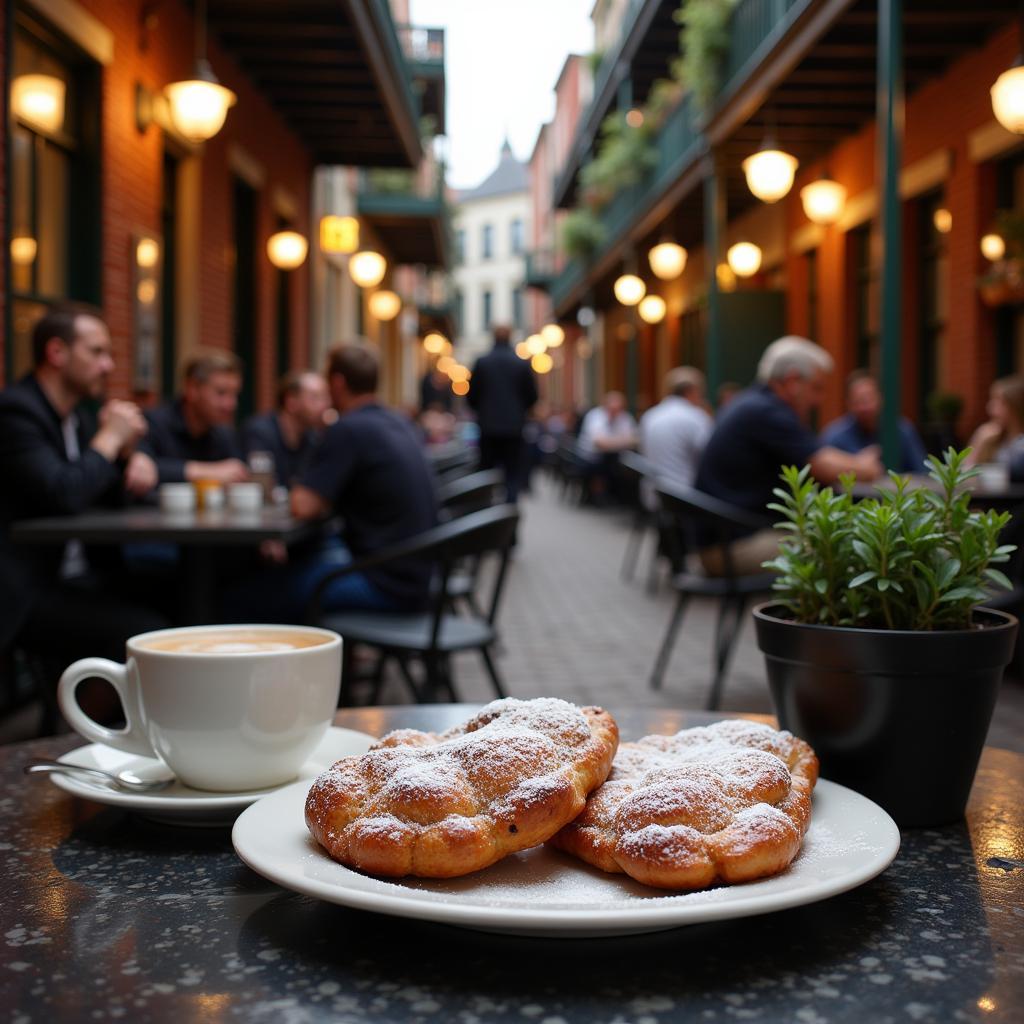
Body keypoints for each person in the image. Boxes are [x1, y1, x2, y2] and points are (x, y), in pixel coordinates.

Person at [0, 303, 169, 712]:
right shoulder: (16, 412)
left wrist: (129, 456)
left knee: (177, 591)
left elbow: (104, 492)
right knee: (145, 633)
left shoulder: (76, 420)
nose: (109, 364)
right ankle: (85, 735)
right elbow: (63, 492)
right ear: (56, 353)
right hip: (25, 590)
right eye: (97, 352)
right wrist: (110, 439)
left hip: (83, 574)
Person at [226, 345, 439, 620]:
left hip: (385, 584)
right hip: (419, 576)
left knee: (243, 598)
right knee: (305, 564)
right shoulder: (397, 421)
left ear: (337, 383)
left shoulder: (349, 429)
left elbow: (302, 505)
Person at [695, 336, 883, 575]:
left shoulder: (754, 403)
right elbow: (824, 465)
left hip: (728, 538)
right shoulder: (766, 411)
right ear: (793, 380)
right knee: (849, 548)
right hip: (731, 549)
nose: (819, 400)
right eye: (817, 388)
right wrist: (865, 465)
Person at [139, 350, 248, 484]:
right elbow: (141, 470)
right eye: (221, 393)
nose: (231, 404)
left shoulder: (224, 434)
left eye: (234, 394)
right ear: (192, 389)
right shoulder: (153, 423)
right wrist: (209, 472)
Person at [467, 325, 538, 502]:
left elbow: (471, 396)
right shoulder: (521, 364)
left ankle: (484, 514)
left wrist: (483, 411)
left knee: (486, 474)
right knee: (512, 475)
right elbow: (532, 396)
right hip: (514, 428)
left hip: (488, 428)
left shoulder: (482, 362)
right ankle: (509, 521)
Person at [820, 370, 926, 473]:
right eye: (858, 401)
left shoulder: (902, 430)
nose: (865, 407)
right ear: (848, 403)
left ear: (881, 398)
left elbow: (921, 472)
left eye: (869, 399)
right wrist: (859, 466)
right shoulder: (835, 435)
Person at [241, 370, 329, 488]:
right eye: (315, 398)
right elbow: (260, 483)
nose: (326, 405)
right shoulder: (260, 432)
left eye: (326, 397)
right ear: (291, 402)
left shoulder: (313, 438)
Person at [640, 367, 713, 500]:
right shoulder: (695, 417)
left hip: (654, 495)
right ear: (691, 391)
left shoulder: (650, 415)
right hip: (687, 496)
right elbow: (710, 455)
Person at [578, 391, 638, 504]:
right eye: (612, 409)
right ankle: (600, 496)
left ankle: (621, 498)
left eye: (618, 409)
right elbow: (599, 443)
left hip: (615, 457)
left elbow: (635, 439)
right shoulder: (595, 416)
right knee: (605, 465)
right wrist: (623, 441)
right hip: (591, 458)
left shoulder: (625, 417)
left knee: (626, 467)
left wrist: (611, 442)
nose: (615, 413)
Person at [965, 376, 1024, 467]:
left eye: (999, 402)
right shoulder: (992, 439)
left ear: (1017, 405)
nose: (990, 407)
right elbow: (964, 473)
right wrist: (979, 441)